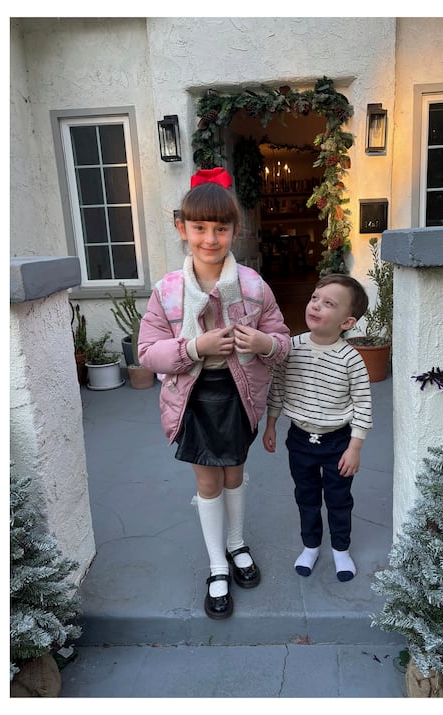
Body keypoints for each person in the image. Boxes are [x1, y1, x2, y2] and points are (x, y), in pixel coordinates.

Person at [137, 167, 290, 619]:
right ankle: (217, 564)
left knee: (235, 474)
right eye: (199, 227)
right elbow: (148, 352)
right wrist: (193, 346)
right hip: (193, 398)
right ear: (181, 228)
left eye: (220, 228)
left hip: (240, 395)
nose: (210, 238)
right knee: (207, 480)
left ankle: (238, 542)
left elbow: (279, 339)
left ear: (234, 231)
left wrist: (263, 343)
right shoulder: (166, 291)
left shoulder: (253, 286)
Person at [263, 274, 373, 582]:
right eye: (315, 298)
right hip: (299, 439)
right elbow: (278, 387)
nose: (316, 306)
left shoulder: (351, 359)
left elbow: (363, 404)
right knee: (306, 495)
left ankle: (341, 549)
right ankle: (310, 545)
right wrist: (271, 423)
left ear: (346, 322)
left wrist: (355, 447)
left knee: (339, 499)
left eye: (329, 303)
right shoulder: (291, 348)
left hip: (338, 442)